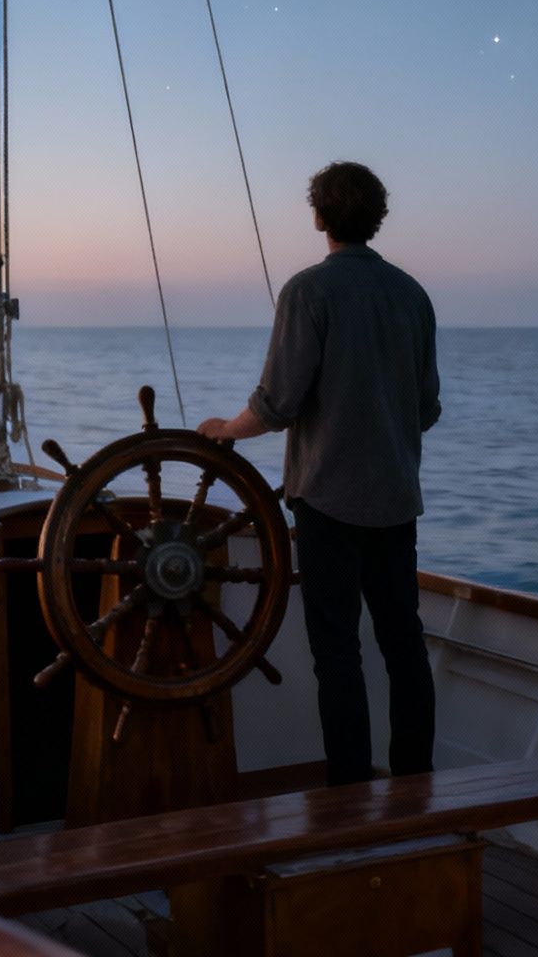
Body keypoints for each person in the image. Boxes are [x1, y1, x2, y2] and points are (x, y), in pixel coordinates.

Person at [196, 161, 442, 786]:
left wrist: (226, 429)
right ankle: (416, 782)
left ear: (319, 217)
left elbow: (276, 405)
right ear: (377, 217)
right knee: (403, 643)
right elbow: (428, 409)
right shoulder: (413, 295)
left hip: (328, 501)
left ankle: (351, 789)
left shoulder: (308, 292)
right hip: (397, 500)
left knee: (338, 653)